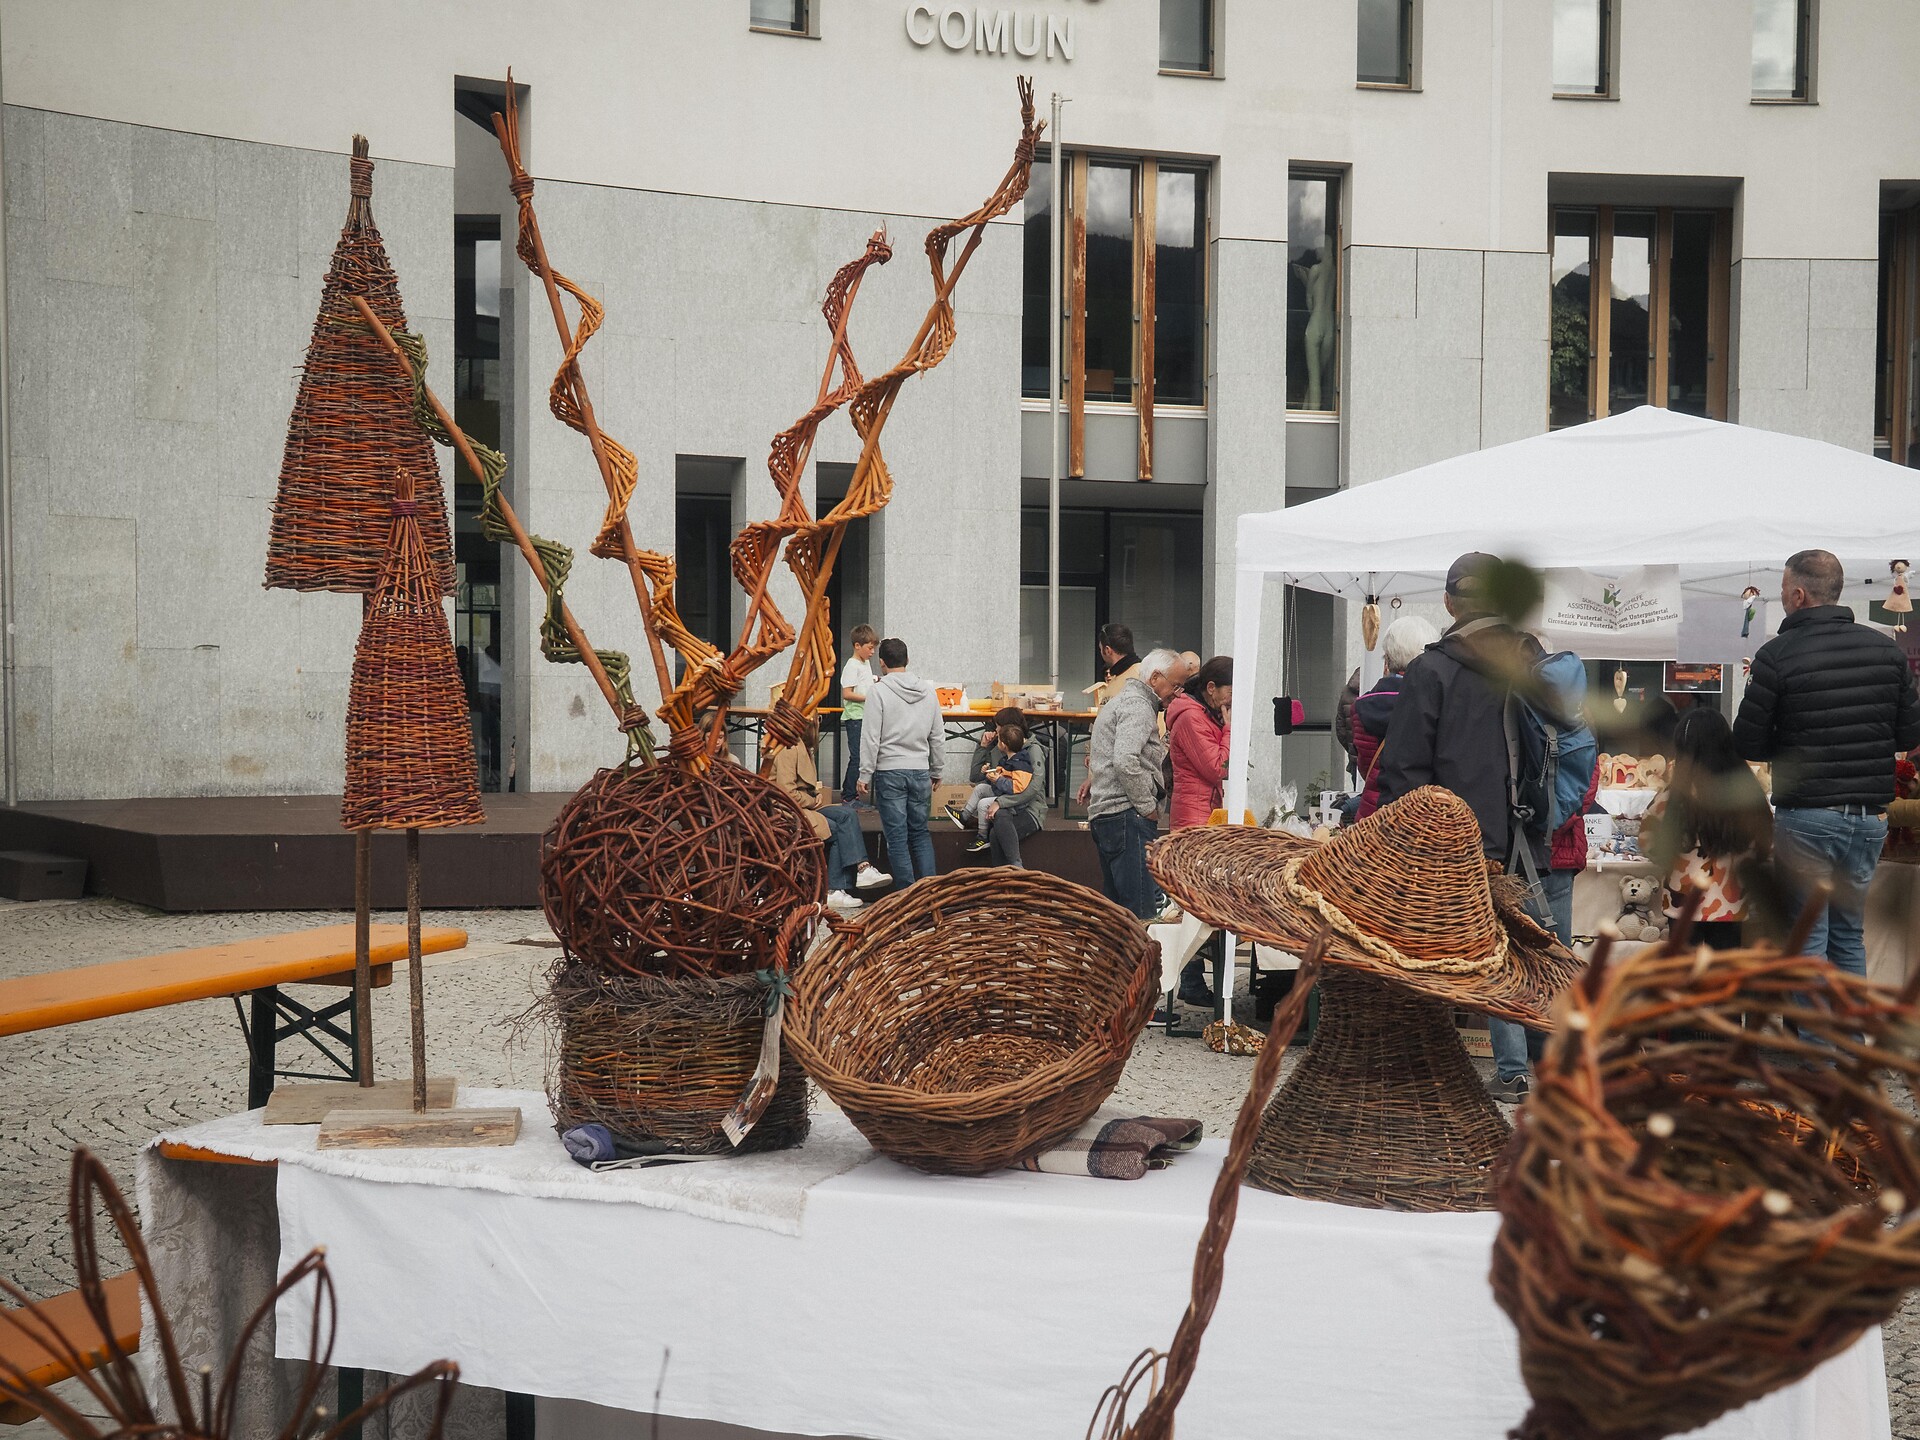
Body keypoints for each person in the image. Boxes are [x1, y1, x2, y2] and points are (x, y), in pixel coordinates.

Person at [1376, 553, 1552, 1104]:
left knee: (1449, 960)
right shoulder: (1536, 662)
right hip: (1529, 836)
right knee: (1535, 955)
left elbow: (1403, 771)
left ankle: (1455, 1073)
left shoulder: (1432, 670)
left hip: (1452, 847)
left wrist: (1404, 848)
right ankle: (1557, 1073)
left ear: (1449, 603)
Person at [1733, 549, 1920, 974]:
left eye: (1782, 589)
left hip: (1807, 814)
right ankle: (1848, 1039)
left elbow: (1748, 741)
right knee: (1848, 936)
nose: (1781, 597)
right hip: (1870, 818)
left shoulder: (1776, 655)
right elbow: (1910, 736)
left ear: (1798, 594)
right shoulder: (1886, 651)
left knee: (1806, 941)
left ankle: (1816, 1044)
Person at [1646, 708, 1773, 949]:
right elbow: (1765, 842)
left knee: (1681, 977)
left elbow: (1651, 844)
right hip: (1733, 903)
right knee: (1724, 977)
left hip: (1681, 904)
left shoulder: (1671, 796)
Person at [1088, 649, 1182, 922]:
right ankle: (1139, 966)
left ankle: (1113, 965)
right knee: (1140, 913)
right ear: (1155, 678)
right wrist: (1147, 806)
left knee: (1118, 915)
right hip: (1127, 815)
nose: (1177, 693)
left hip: (1109, 814)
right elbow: (1126, 760)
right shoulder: (1139, 706)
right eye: (1175, 685)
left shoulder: (1121, 702)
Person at [769, 720, 892, 909]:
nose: (819, 724)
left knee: (847, 814)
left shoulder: (802, 746)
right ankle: (833, 889)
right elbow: (787, 793)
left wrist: (814, 796)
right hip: (789, 809)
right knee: (833, 829)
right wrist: (811, 799)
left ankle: (863, 868)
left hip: (806, 805)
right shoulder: (788, 749)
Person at [857, 637, 944, 887]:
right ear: (907, 660)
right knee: (920, 834)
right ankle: (931, 895)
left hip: (889, 771)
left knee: (897, 838)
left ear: (881, 663)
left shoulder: (879, 691)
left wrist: (865, 774)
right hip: (920, 770)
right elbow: (937, 735)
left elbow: (871, 737)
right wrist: (937, 769)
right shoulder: (928, 691)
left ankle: (907, 899)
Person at [1351, 616, 1441, 819]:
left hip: (1373, 816)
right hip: (1420, 818)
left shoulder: (1361, 706)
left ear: (1388, 657)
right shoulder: (1434, 703)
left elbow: (1365, 768)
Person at [960, 709, 1049, 867]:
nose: (995, 731)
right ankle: (1006, 875)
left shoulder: (1033, 750)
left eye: (998, 727)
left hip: (1030, 810)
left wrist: (1002, 802)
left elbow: (1034, 787)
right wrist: (983, 747)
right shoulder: (998, 748)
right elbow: (975, 777)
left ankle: (1014, 868)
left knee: (997, 827)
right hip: (1007, 808)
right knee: (996, 831)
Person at [948, 717, 1036, 850]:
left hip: (1014, 802)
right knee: (981, 788)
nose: (995, 736)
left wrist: (998, 780)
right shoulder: (1008, 758)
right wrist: (988, 773)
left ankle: (983, 837)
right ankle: (964, 816)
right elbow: (997, 775)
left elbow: (1017, 787)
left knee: (983, 804)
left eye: (999, 739)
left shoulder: (1021, 763)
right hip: (1002, 792)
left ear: (1004, 745)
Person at [1167, 656, 1232, 830]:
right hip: (1194, 818)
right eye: (1231, 693)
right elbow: (1217, 768)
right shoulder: (1192, 718)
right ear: (1211, 688)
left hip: (1205, 811)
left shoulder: (1208, 715)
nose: (1234, 700)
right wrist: (1229, 730)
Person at [838, 625, 879, 806]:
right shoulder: (852, 665)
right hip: (855, 717)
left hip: (865, 716)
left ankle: (851, 794)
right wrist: (868, 697)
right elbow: (846, 694)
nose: (872, 652)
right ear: (857, 646)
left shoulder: (864, 663)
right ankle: (848, 796)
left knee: (863, 756)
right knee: (858, 757)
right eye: (869, 648)